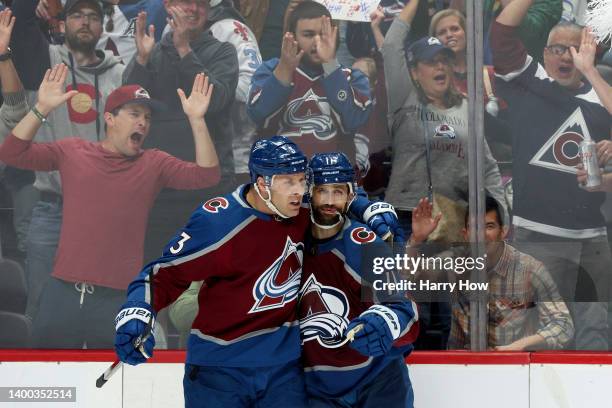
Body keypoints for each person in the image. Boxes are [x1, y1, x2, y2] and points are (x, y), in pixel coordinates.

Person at [114, 136, 404, 407]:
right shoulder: (219, 223)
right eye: (288, 181)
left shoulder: (299, 208)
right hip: (220, 371)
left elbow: (335, 198)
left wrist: (369, 209)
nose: (299, 191)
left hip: (283, 371)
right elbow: (164, 274)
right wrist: (138, 311)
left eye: (302, 180)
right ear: (263, 184)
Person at [0, 63, 221, 348]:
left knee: (118, 388)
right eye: (134, 114)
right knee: (49, 383)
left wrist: (197, 120)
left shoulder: (154, 163)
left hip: (118, 300)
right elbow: (11, 153)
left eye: (147, 117)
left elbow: (208, 175)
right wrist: (41, 107)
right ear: (110, 118)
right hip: (62, 293)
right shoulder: (73, 151)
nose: (142, 122)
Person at [492, 0, 612, 349]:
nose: (565, 56)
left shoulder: (598, 98)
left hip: (591, 236)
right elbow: (501, 34)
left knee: (596, 327)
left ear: (587, 54)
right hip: (537, 234)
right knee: (537, 327)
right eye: (557, 48)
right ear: (543, 54)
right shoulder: (529, 82)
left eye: (574, 50)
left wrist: (591, 72)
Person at [12, 0, 125, 321]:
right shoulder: (46, 64)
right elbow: (21, 22)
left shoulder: (119, 72)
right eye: (77, 15)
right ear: (61, 23)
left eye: (93, 16)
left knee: (104, 312)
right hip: (52, 209)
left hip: (106, 212)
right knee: (40, 306)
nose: (85, 22)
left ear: (103, 27)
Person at [123, 0, 239, 263]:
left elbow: (215, 100)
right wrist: (141, 60)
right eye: (185, 2)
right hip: (157, 191)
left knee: (203, 286)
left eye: (200, 3)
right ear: (168, 6)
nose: (193, 9)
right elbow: (126, 110)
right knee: (153, 279)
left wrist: (184, 48)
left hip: (208, 191)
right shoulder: (152, 50)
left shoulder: (223, 51)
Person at [300, 152, 419, 407]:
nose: (329, 201)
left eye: (338, 192)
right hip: (317, 385)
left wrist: (386, 322)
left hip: (377, 380)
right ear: (309, 192)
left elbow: (405, 310)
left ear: (350, 195)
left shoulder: (364, 243)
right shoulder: (291, 238)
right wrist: (365, 207)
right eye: (322, 191)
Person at [411, 196, 575, 350]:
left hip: (517, 368)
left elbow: (563, 324)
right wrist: (416, 241)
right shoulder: (454, 262)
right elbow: (410, 279)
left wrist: (520, 346)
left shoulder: (529, 268)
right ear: (465, 234)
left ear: (503, 232)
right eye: (475, 228)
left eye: (489, 226)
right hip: (462, 367)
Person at [246, 0, 372, 162]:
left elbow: (354, 121)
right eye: (308, 35)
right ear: (292, 36)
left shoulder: (353, 77)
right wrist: (284, 70)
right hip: (281, 176)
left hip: (332, 177)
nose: (317, 42)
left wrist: (331, 67)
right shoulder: (269, 71)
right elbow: (258, 116)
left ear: (334, 34)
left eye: (323, 34)